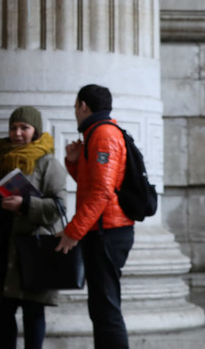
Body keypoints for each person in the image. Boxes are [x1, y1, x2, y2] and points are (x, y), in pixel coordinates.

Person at [0, 106, 68, 349]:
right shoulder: (0, 163)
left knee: (33, 314)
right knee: (2, 314)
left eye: (24, 128)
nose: (17, 133)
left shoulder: (49, 164)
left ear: (35, 131)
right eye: (13, 128)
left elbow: (58, 207)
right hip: (2, 250)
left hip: (31, 253)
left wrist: (25, 204)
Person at [55, 84, 135, 349]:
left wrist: (72, 232)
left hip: (107, 233)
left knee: (106, 309)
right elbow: (93, 186)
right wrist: (75, 162)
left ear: (83, 106)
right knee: (101, 308)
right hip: (104, 230)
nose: (75, 113)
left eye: (75, 107)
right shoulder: (96, 134)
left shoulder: (103, 135)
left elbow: (101, 193)